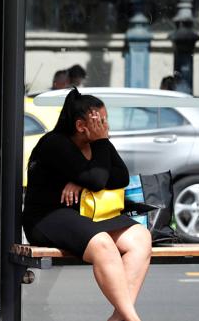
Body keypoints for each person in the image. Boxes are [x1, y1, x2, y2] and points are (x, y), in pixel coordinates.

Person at [22, 88, 151, 321]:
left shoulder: (99, 143)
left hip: (85, 217)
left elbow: (120, 177)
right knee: (103, 244)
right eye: (101, 121)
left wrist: (82, 182)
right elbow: (98, 179)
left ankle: (118, 318)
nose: (106, 127)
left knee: (141, 237)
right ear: (82, 126)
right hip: (47, 217)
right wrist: (89, 177)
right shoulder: (55, 143)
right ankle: (132, 319)